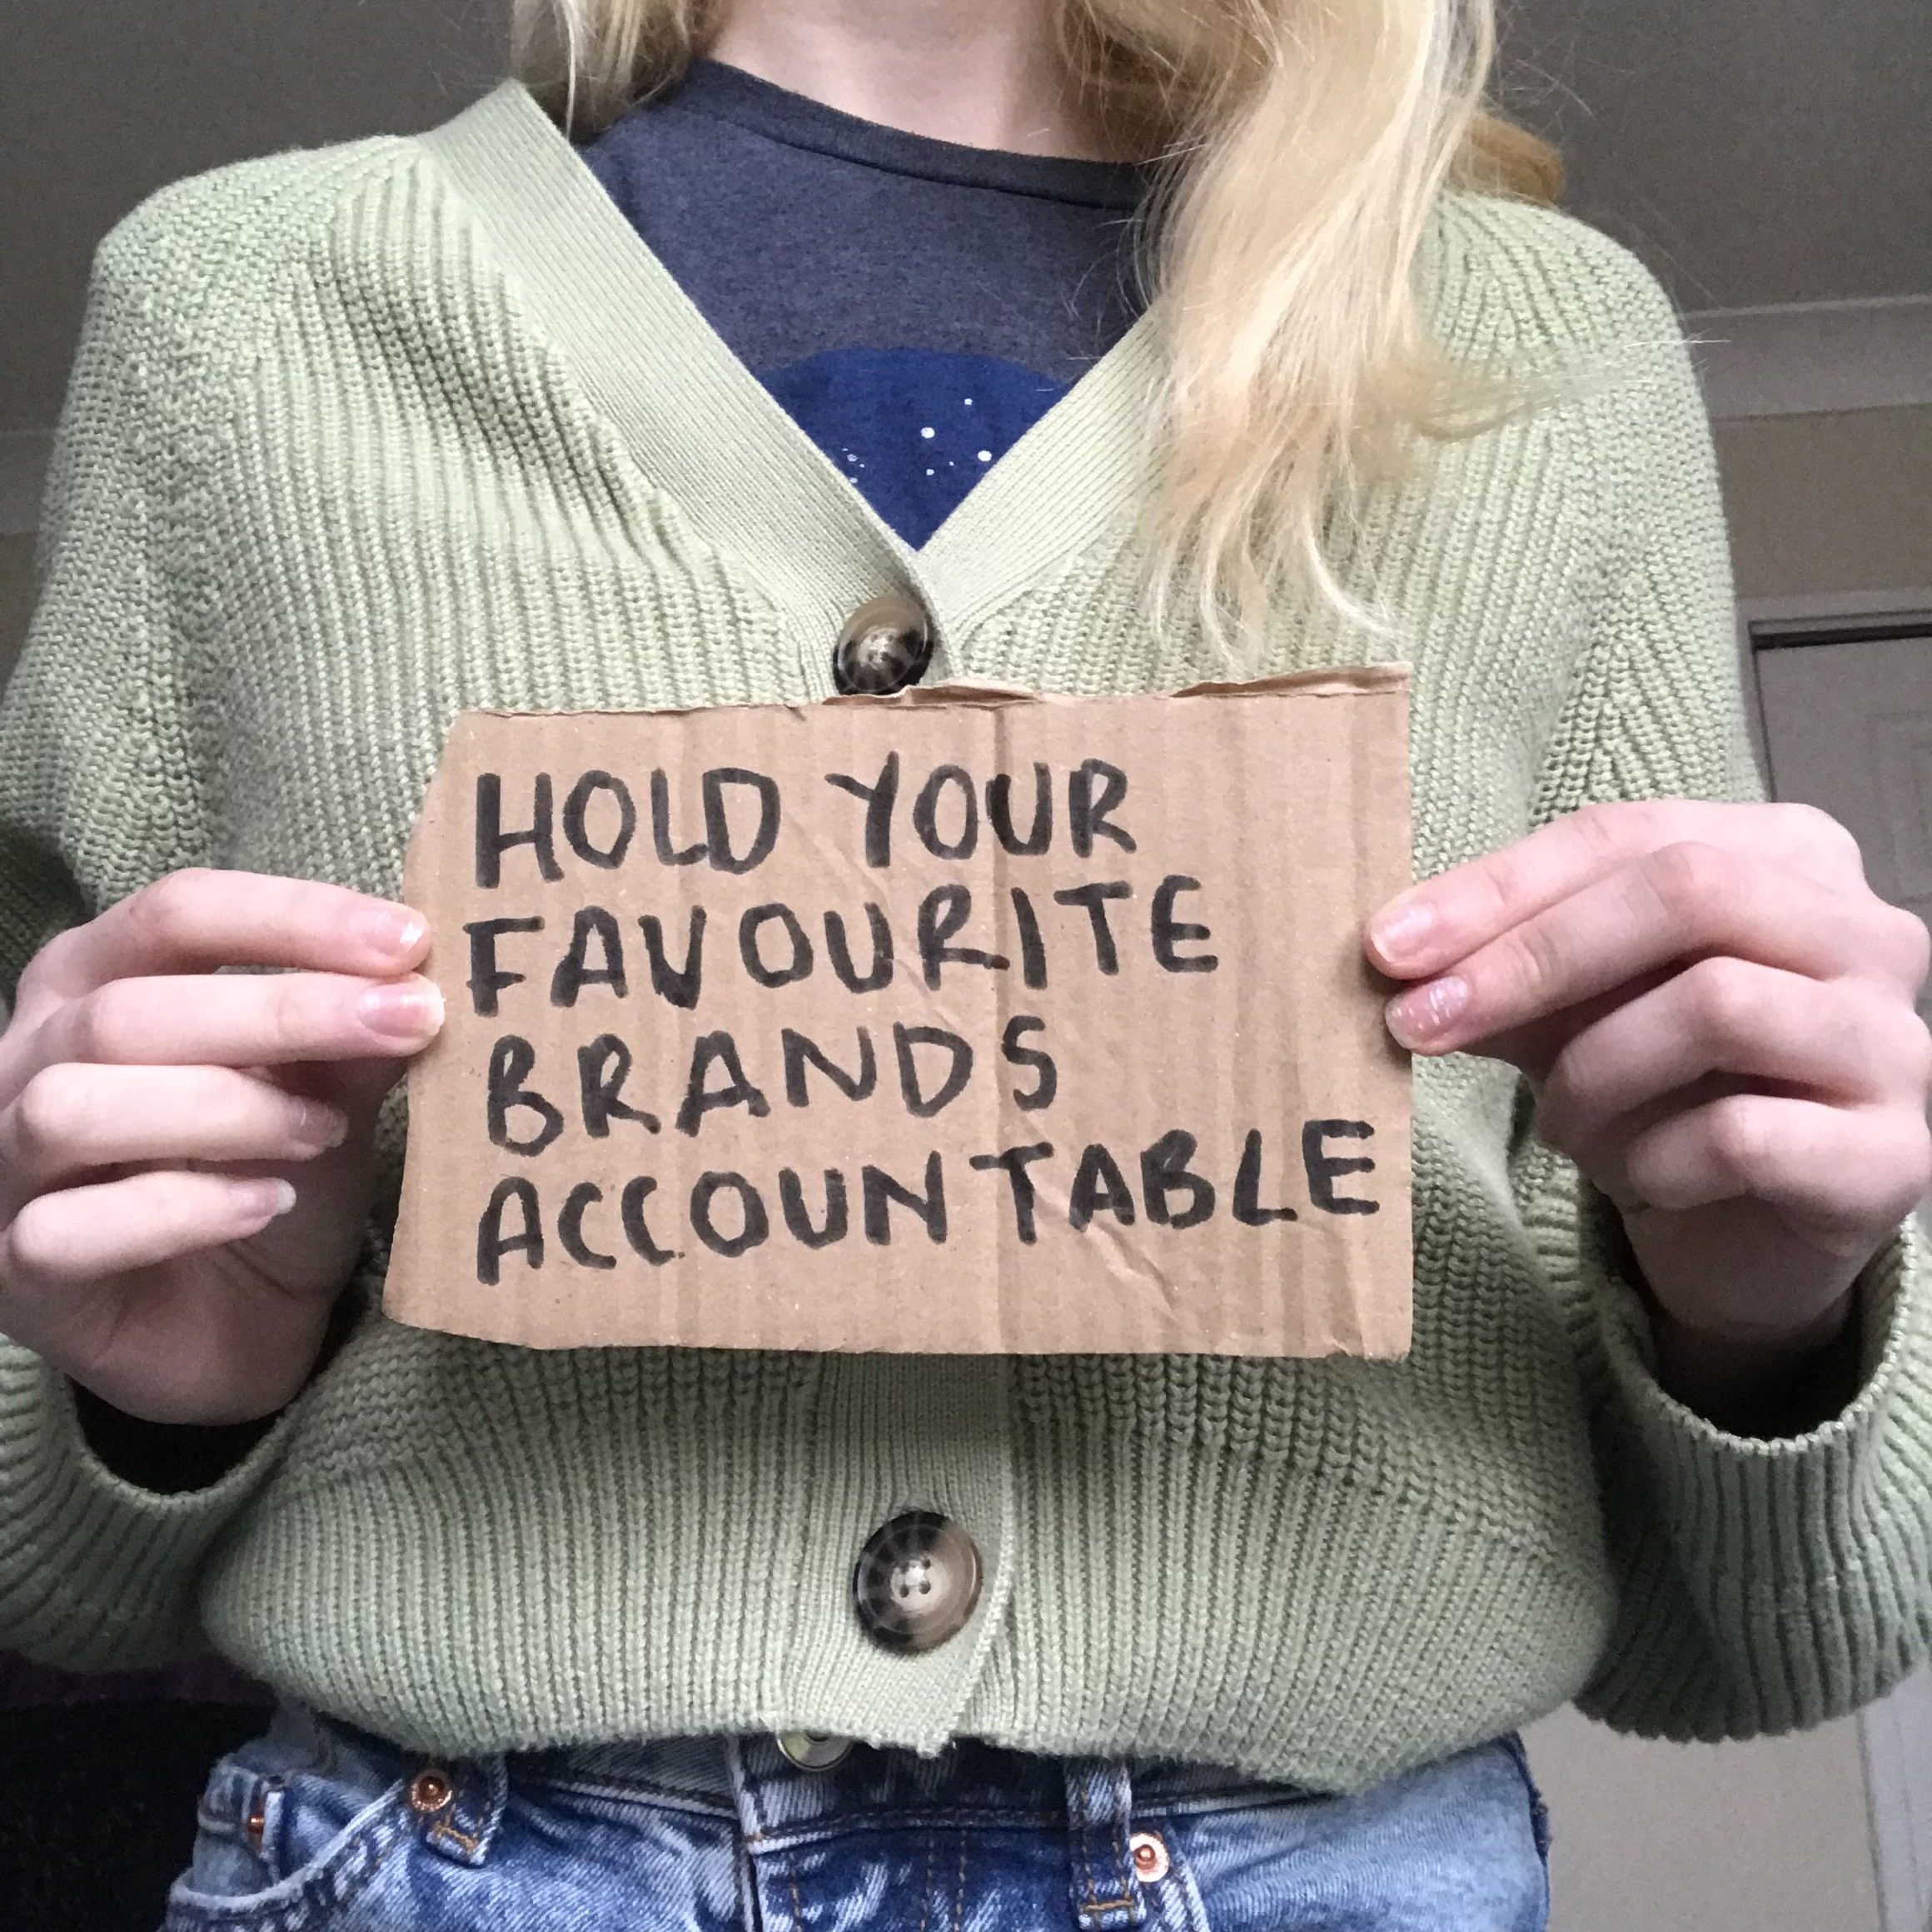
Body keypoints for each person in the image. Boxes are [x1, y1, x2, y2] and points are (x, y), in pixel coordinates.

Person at [2, 1, 1929, 1926]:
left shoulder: (1541, 361)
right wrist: (166, 1388)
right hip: (442, 1855)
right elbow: (55, 1545)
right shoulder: (238, 322)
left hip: (1335, 1864)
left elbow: (1758, 1638)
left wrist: (1759, 1323)